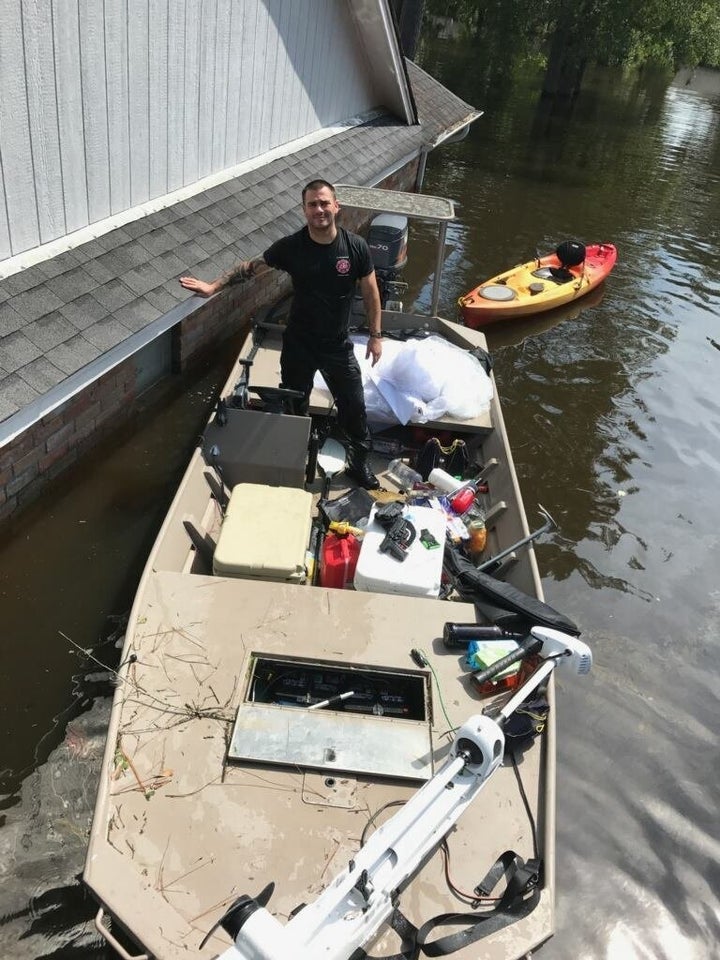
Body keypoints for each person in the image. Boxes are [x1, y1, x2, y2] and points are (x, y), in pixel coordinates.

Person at [180, 179, 383, 489]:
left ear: (336, 206)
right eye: (312, 204)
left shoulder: (354, 247)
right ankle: (292, 460)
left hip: (337, 345)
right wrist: (213, 287)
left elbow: (370, 292)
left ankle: (358, 466)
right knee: (293, 405)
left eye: (324, 203)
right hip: (299, 343)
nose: (319, 209)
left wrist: (376, 335)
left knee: (354, 408)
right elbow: (250, 268)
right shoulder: (291, 247)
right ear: (304, 210)